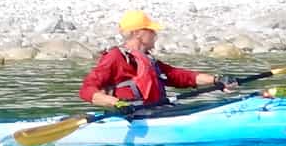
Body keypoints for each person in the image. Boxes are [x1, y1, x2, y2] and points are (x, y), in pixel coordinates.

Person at [78, 10, 226, 108]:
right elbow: (87, 90)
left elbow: (179, 76)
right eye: (151, 31)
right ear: (138, 34)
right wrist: (116, 103)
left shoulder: (148, 60)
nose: (155, 34)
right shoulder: (115, 57)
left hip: (155, 112)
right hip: (132, 117)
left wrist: (216, 80)